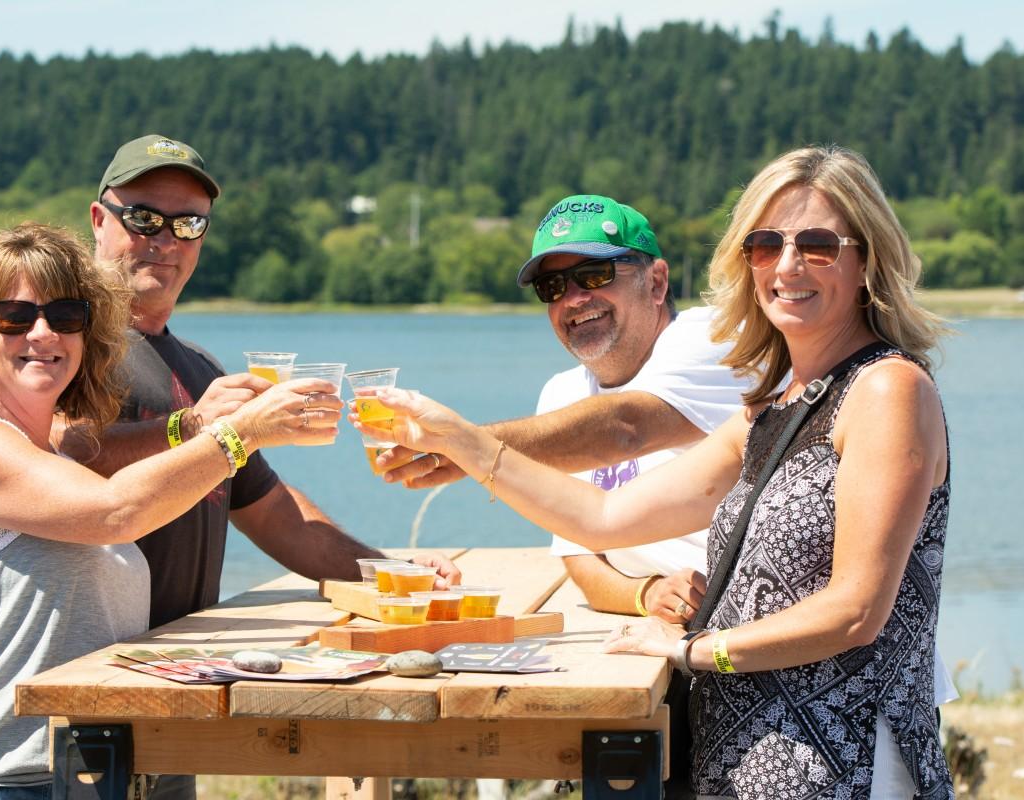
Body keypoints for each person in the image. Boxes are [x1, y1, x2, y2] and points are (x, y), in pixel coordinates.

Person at [357, 145, 954, 798]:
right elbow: (603, 519)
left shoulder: (887, 391)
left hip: (853, 760)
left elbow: (855, 612)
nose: (786, 265)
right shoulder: (775, 408)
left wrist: (694, 651)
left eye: (816, 244)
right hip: (754, 761)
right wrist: (462, 444)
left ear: (866, 260)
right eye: (764, 245)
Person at [0, 223, 334, 800]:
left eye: (67, 315)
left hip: (102, 772)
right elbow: (117, 511)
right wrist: (241, 434)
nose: (44, 332)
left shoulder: (56, 452)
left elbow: (111, 455)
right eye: (14, 317)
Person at [65, 134, 458, 637]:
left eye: (188, 223)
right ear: (100, 221)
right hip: (90, 667)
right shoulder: (62, 344)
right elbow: (63, 456)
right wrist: (192, 428)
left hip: (176, 663)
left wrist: (389, 573)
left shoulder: (202, 367)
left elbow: (277, 515)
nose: (164, 241)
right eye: (143, 219)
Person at [382, 194, 750, 623]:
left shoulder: (715, 338)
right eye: (552, 287)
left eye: (594, 275)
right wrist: (645, 594)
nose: (573, 299)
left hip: (751, 624)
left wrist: (465, 445)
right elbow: (578, 554)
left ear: (656, 283)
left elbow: (626, 427)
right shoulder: (560, 397)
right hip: (667, 632)